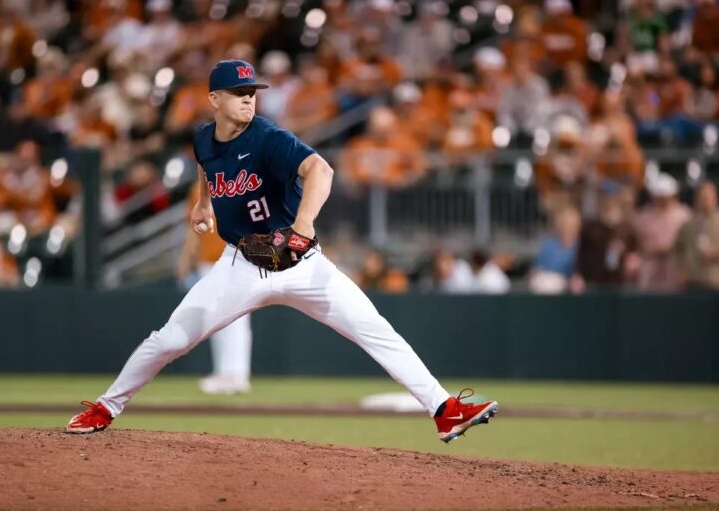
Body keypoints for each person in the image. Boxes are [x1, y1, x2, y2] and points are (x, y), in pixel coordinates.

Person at [66, 59, 498, 442]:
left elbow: (320, 170)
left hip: (300, 262)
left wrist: (304, 224)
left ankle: (444, 411)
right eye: (238, 93)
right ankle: (106, 407)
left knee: (375, 328)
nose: (248, 100)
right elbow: (206, 164)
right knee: (169, 340)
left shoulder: (269, 137)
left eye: (252, 93)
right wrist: (202, 201)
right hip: (240, 265)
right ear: (214, 99)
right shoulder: (203, 138)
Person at [179, 182, 253, 394]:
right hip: (209, 260)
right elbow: (194, 227)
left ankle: (235, 373)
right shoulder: (198, 189)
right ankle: (228, 373)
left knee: (235, 317)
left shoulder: (244, 181)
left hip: (236, 256)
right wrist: (187, 258)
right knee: (217, 317)